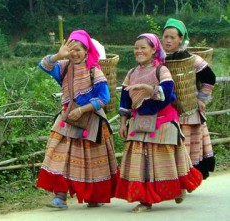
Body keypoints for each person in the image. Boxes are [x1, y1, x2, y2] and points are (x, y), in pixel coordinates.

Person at [115, 33, 203, 213]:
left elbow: (168, 93)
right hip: (139, 122)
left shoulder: (161, 70)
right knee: (141, 162)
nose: (138, 51)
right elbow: (124, 100)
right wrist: (123, 123)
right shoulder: (131, 73)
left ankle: (177, 188)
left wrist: (148, 89)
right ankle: (145, 200)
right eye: (136, 48)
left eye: (143, 48)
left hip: (162, 121)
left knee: (167, 161)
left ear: (154, 50)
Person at [36, 29, 119, 209]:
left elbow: (104, 99)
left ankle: (94, 195)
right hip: (67, 117)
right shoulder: (64, 67)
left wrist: (82, 110)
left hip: (91, 120)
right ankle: (60, 196)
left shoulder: (94, 71)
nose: (74, 53)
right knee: (59, 155)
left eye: (78, 49)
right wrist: (59, 55)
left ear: (86, 51)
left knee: (90, 160)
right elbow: (43, 65)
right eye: (71, 49)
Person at [162, 18, 216, 180]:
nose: (169, 40)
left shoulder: (191, 59)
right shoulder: (160, 58)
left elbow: (210, 78)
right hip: (167, 110)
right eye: (166, 37)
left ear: (180, 39)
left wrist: (202, 98)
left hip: (187, 110)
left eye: (173, 37)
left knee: (186, 146)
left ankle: (187, 179)